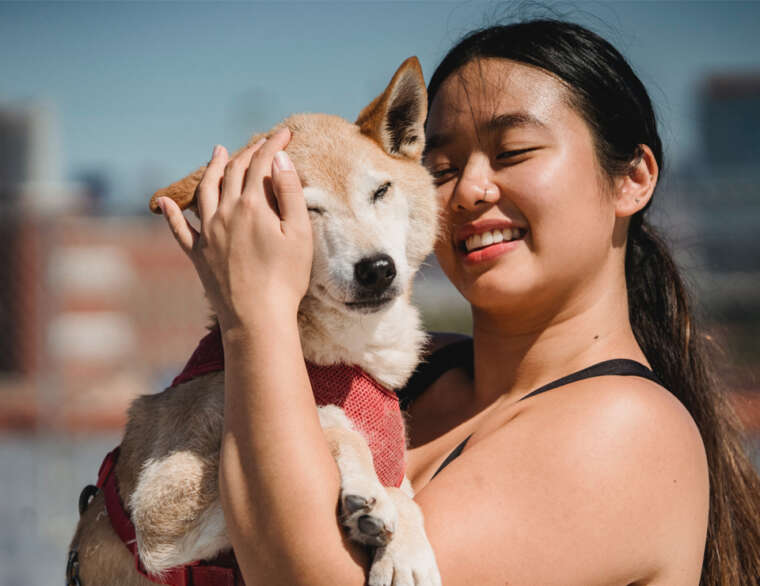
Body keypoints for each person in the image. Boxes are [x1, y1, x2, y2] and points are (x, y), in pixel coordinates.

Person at [156, 19, 760, 586]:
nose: (468, 190)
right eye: (440, 165)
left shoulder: (626, 430)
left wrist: (253, 319)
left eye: (513, 152)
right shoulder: (404, 374)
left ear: (633, 179)